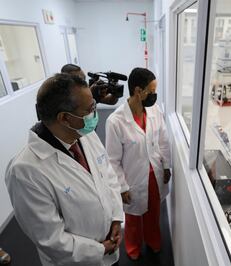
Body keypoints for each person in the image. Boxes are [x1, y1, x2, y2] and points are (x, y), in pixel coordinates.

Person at [5, 74, 124, 266]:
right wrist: (100, 249)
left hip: (111, 247)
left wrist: (116, 218)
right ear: (65, 118)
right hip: (78, 261)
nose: (95, 114)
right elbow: (50, 239)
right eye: (90, 109)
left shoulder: (85, 135)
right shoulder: (25, 171)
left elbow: (108, 175)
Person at [106, 68, 171, 260]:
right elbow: (112, 160)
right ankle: (133, 247)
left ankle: (153, 241)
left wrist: (167, 165)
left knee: (153, 213)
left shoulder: (154, 111)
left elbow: (163, 141)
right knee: (133, 218)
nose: (154, 96)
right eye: (151, 91)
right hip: (132, 178)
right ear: (138, 91)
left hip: (154, 174)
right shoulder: (115, 122)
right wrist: (122, 187)